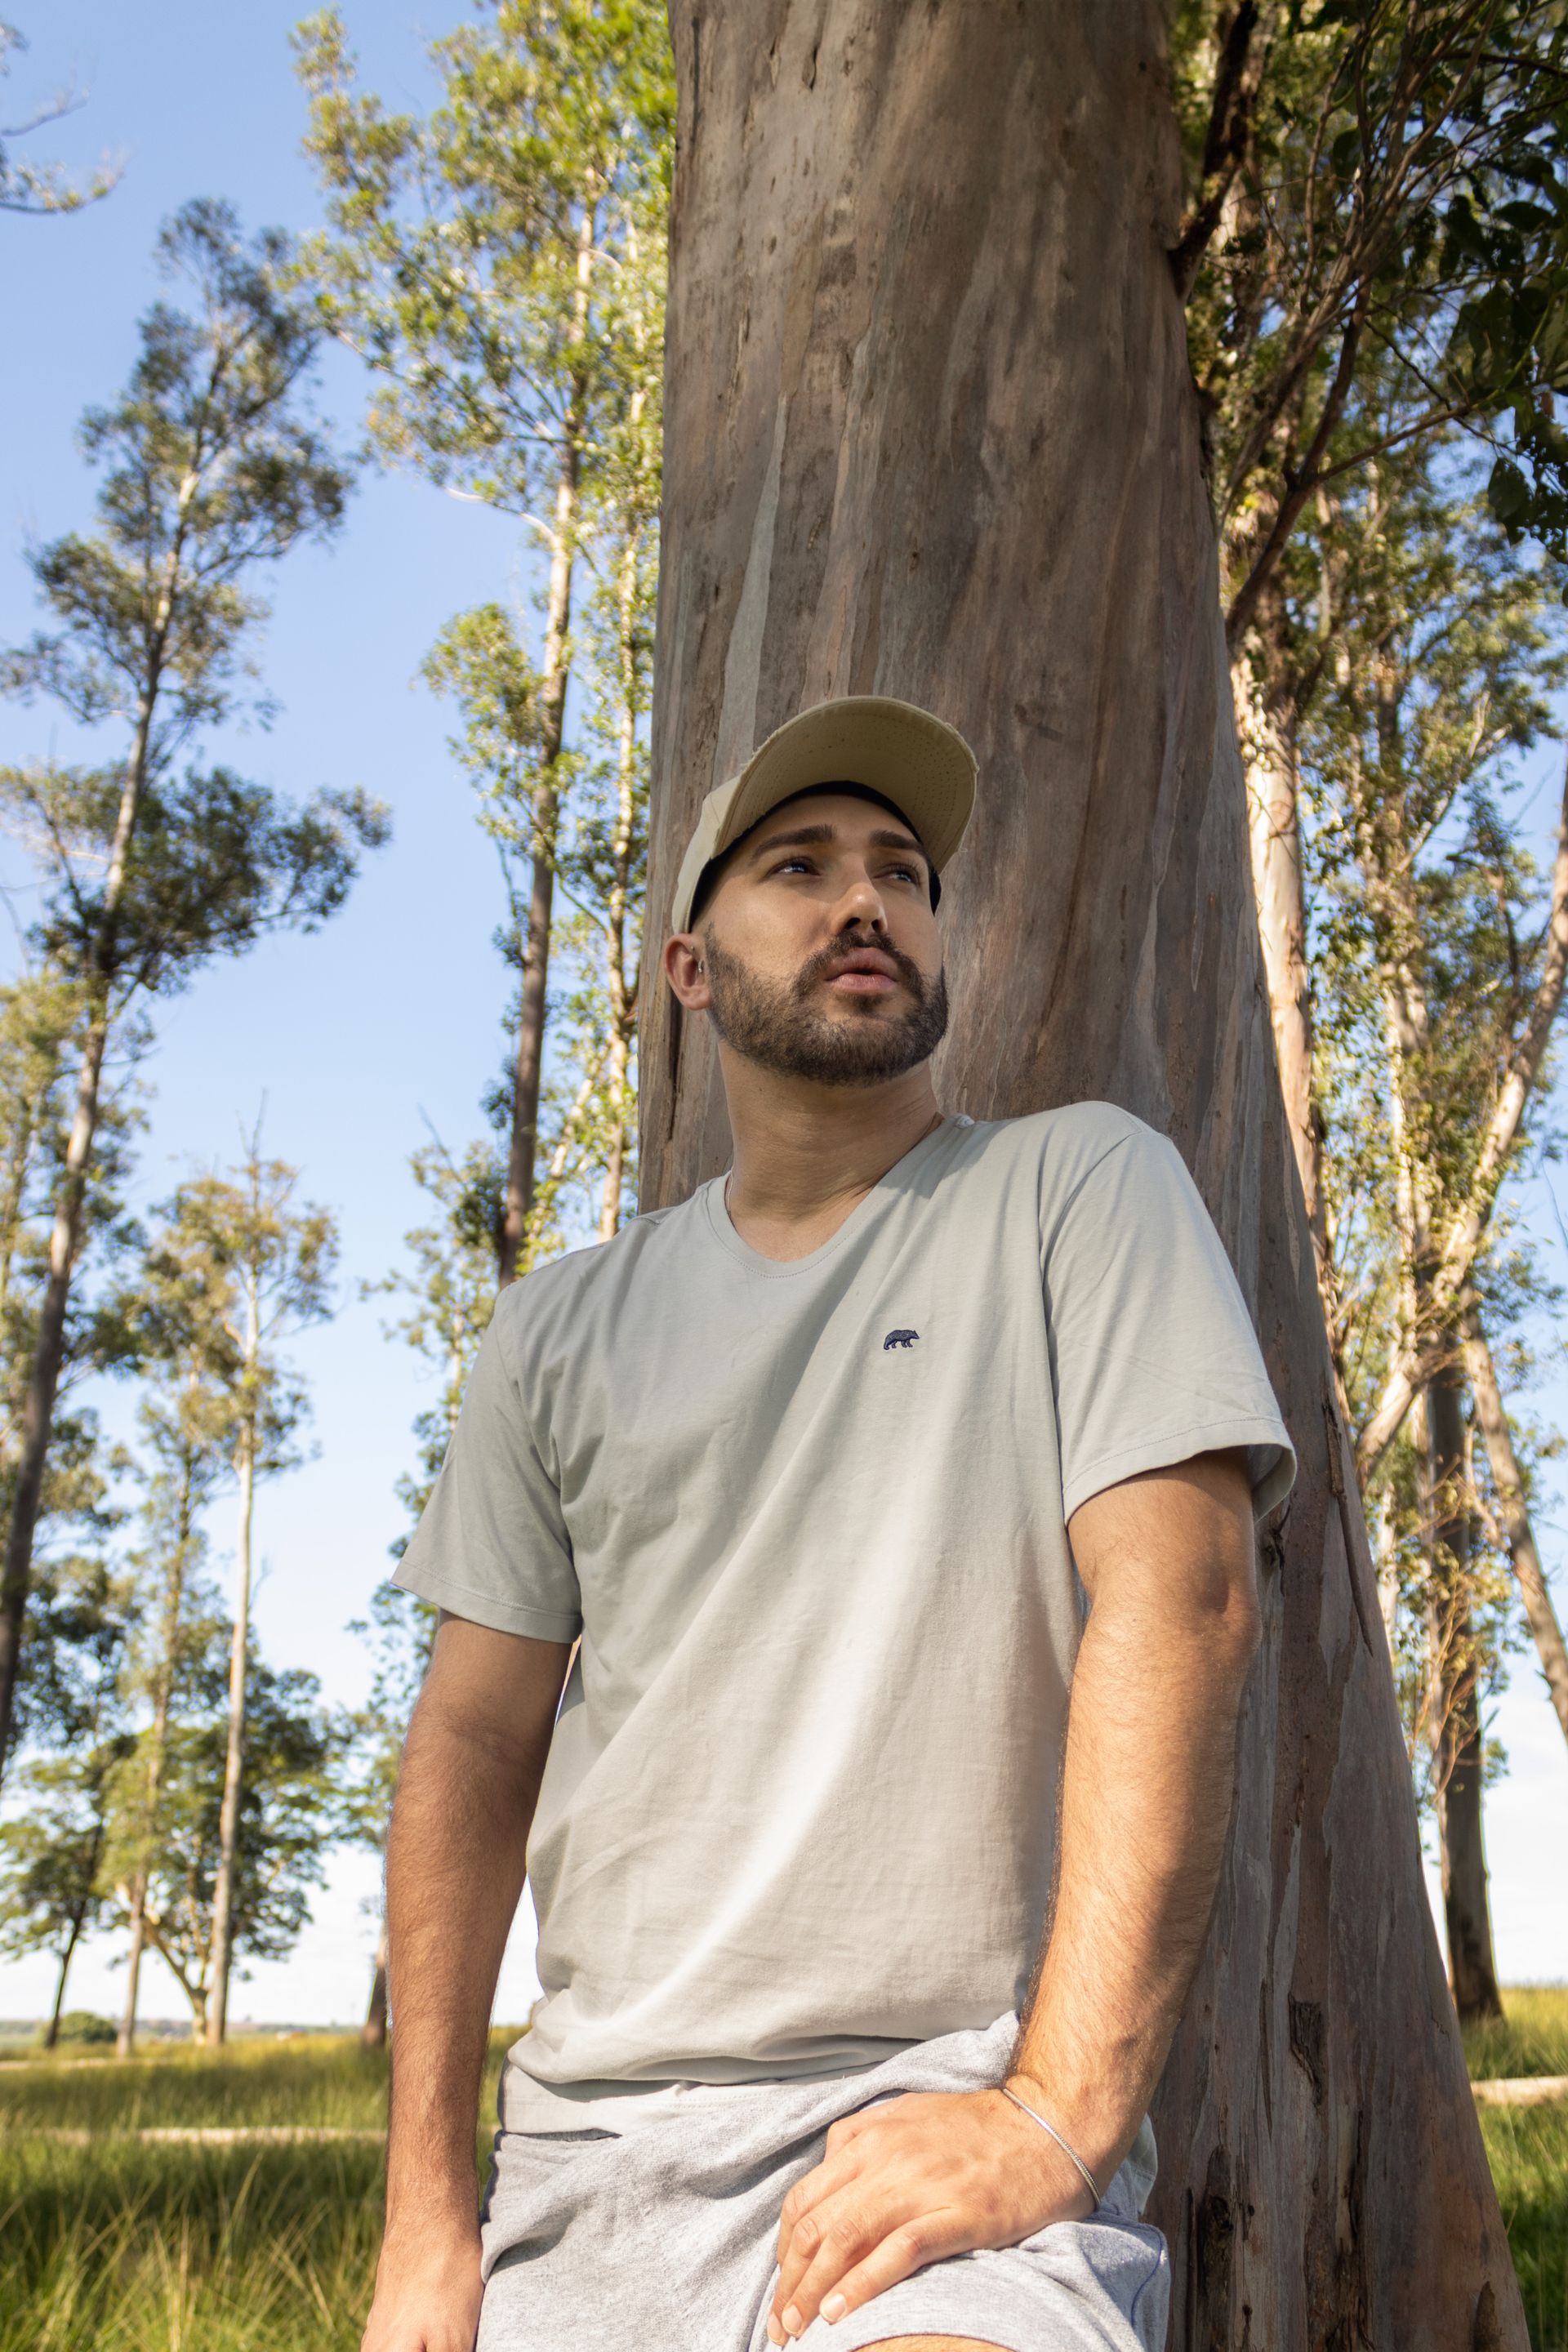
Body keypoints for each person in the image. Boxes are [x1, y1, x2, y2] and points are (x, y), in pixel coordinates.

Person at [364, 693, 1296, 2352]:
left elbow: (1187, 1602)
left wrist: (1057, 2117)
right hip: (589, 2162)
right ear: (691, 971)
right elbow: (472, 1744)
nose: (867, 899)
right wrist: (428, 2228)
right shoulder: (560, 1327)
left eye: (903, 872)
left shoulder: (1079, 1189)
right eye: (798, 864)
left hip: (931, 2149)